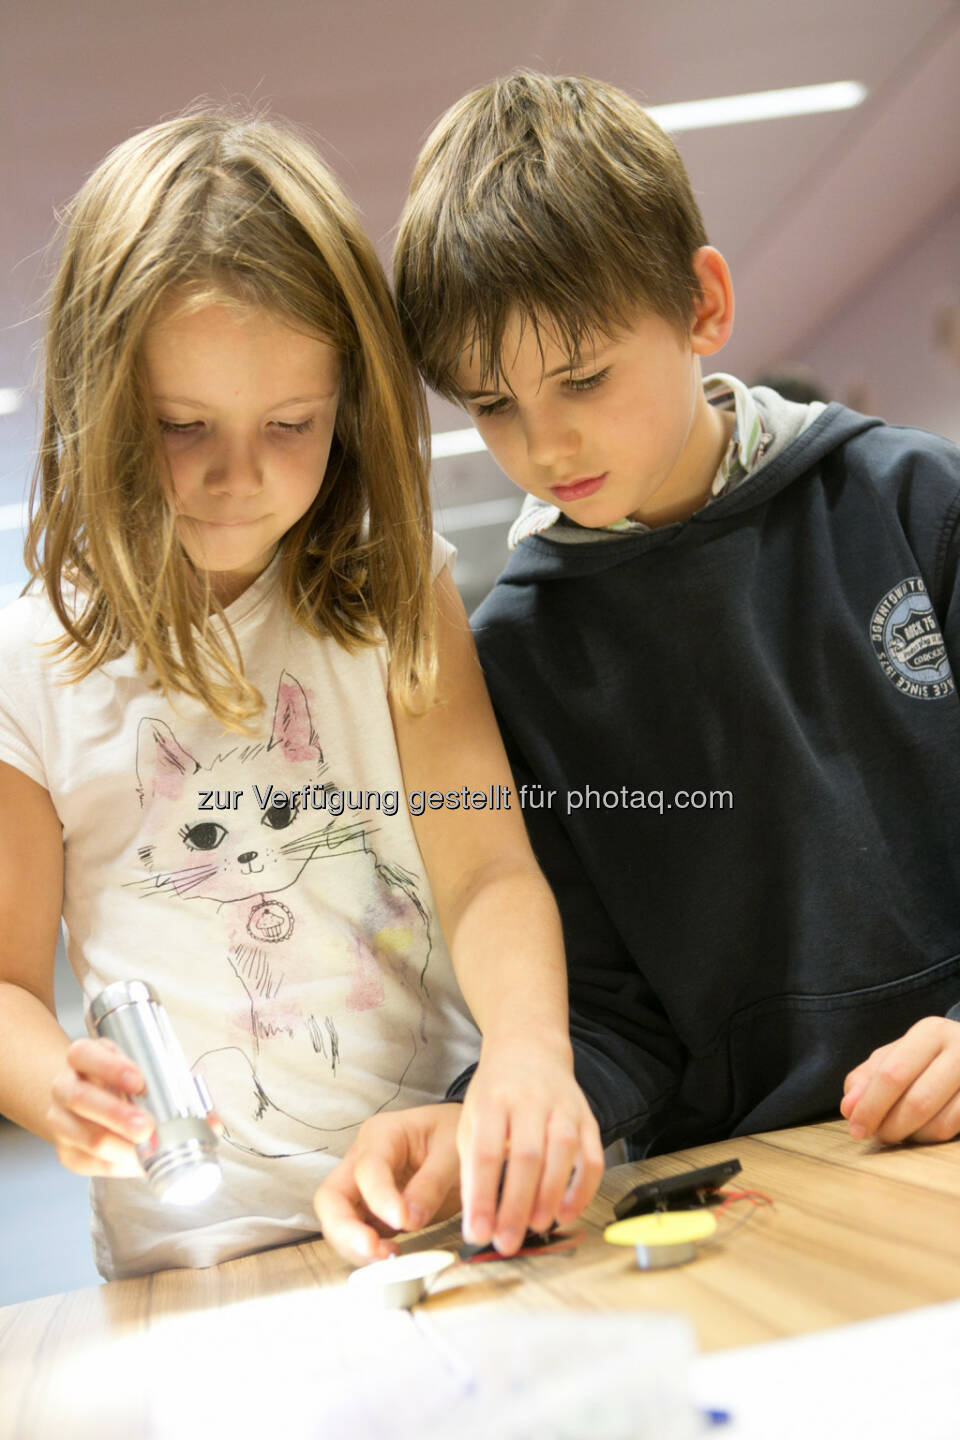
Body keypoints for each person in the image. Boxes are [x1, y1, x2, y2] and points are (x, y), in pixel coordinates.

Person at [315, 69, 960, 1261]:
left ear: (703, 302)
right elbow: (619, 1023)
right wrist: (496, 1120)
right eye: (492, 406)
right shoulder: (515, 657)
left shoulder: (915, 505)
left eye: (584, 379)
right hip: (779, 1202)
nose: (542, 444)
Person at [0, 109, 604, 1281]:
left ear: (350, 401)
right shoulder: (32, 661)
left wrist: (531, 1053)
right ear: (101, 400)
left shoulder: (389, 589)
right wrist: (42, 1077)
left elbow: (483, 868)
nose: (242, 476)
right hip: (198, 1253)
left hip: (442, 1200)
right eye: (183, 428)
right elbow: (7, 988)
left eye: (293, 424)